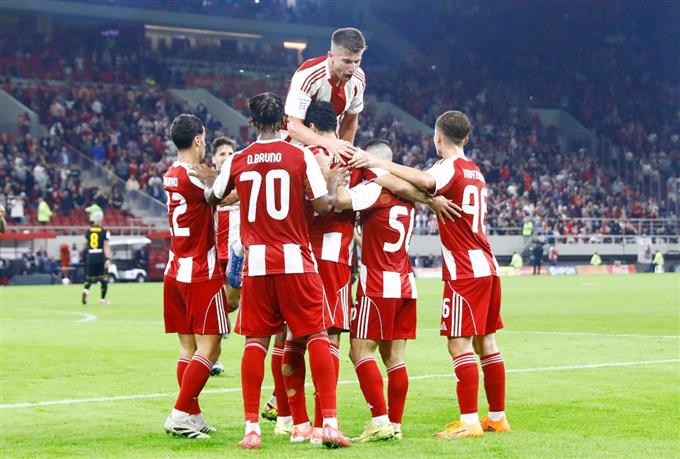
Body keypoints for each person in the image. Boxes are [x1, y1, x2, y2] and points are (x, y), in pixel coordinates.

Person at [350, 110, 510, 438]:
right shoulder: (475, 171)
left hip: (464, 270)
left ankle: (469, 422)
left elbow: (423, 181)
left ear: (438, 137)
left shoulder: (448, 167)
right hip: (487, 265)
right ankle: (497, 417)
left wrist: (375, 163)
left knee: (459, 344)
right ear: (467, 137)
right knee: (487, 342)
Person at [204, 93, 350, 449]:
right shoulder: (300, 156)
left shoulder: (238, 159)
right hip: (295, 260)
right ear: (285, 122)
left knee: (256, 342)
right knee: (316, 335)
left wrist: (215, 181)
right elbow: (322, 206)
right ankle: (328, 424)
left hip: (256, 263)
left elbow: (213, 198)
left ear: (252, 122)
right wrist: (331, 182)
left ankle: (252, 429)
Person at [333, 138, 460, 442]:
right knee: (395, 358)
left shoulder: (372, 189)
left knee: (359, 352)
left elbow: (340, 201)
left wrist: (334, 177)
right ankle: (396, 424)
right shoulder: (407, 197)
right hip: (405, 282)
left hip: (377, 284)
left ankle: (379, 420)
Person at [161, 114, 230, 440]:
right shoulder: (195, 178)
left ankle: (193, 414)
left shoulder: (171, 174)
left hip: (175, 269)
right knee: (211, 348)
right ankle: (179, 414)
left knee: (187, 348)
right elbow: (226, 196)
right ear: (198, 140)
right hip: (200, 271)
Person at [285, 27, 366, 157]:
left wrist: (343, 154)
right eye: (347, 61)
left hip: (331, 144)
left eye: (357, 61)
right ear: (331, 56)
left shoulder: (358, 79)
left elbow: (350, 119)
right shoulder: (307, 75)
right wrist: (329, 143)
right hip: (296, 144)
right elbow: (294, 126)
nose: (352, 68)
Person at [209, 136, 241, 378]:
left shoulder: (243, 181)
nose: (227, 157)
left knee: (230, 304)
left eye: (231, 153)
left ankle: (221, 323)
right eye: (222, 154)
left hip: (237, 254)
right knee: (213, 308)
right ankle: (213, 358)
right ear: (213, 159)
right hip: (213, 254)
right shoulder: (206, 184)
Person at [81, 211, 111, 305]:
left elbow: (86, 245)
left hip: (90, 255)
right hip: (100, 255)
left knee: (89, 278)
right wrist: (107, 258)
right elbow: (106, 246)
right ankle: (102, 299)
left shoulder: (88, 231)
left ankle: (86, 290)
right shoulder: (104, 232)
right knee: (104, 278)